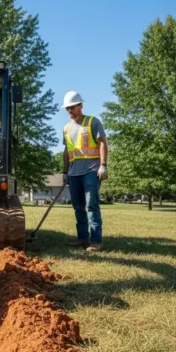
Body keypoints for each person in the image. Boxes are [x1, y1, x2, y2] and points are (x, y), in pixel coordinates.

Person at [62, 91, 108, 252]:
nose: (69, 111)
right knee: (78, 207)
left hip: (91, 171)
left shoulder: (92, 122)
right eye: (67, 108)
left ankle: (96, 241)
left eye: (72, 107)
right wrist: (64, 172)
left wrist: (103, 165)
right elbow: (66, 152)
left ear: (80, 105)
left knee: (92, 206)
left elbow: (103, 143)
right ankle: (82, 238)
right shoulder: (66, 128)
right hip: (74, 173)